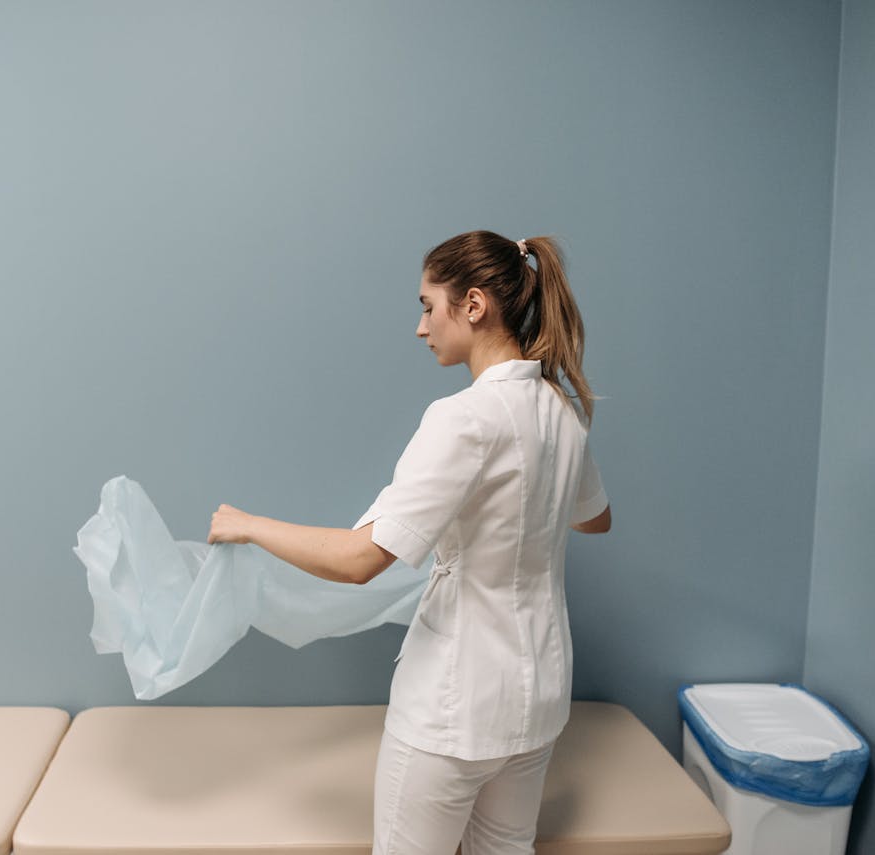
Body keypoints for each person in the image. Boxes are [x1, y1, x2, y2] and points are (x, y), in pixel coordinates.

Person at [207, 229, 611, 855]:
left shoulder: (463, 419)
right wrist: (532, 506)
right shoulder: (561, 411)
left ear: (473, 305)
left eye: (428, 305)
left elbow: (360, 560)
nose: (421, 327)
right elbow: (595, 519)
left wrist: (248, 525)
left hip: (454, 707)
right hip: (538, 702)